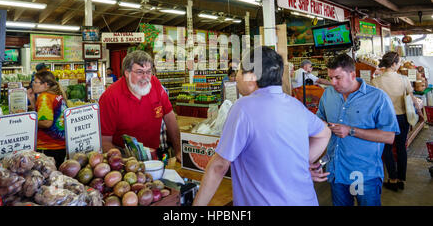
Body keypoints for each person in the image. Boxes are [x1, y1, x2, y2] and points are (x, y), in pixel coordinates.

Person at [193, 46, 331, 206]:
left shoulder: (243, 108)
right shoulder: (295, 105)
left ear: (251, 77)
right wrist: (301, 164)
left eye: (239, 71)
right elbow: (324, 133)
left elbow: (219, 166)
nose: (236, 77)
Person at [316, 53, 399, 206]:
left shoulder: (377, 98)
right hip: (336, 172)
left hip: (363, 174)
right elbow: (319, 121)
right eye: (330, 77)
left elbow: (388, 136)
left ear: (352, 75)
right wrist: (321, 161)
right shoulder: (328, 94)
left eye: (338, 77)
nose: (333, 82)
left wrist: (351, 130)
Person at [98, 50, 182, 162]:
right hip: (125, 158)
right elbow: (104, 140)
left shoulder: (155, 84)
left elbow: (169, 117)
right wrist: (124, 164)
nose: (145, 77)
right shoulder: (110, 97)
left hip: (155, 154)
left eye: (148, 71)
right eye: (139, 72)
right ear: (127, 73)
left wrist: (179, 150)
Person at [371, 51, 423, 192]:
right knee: (401, 148)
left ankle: (392, 179)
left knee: (387, 149)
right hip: (402, 118)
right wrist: (419, 112)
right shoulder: (404, 79)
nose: (399, 64)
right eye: (399, 62)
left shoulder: (376, 81)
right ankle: (401, 179)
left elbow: (374, 105)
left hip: (385, 120)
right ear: (393, 64)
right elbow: (411, 99)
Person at [27, 71, 68, 167]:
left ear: (45, 84)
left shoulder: (44, 97)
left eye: (35, 81)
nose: (33, 84)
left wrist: (27, 121)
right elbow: (44, 115)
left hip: (48, 147)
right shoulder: (57, 95)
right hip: (60, 145)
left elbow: (46, 123)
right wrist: (32, 101)